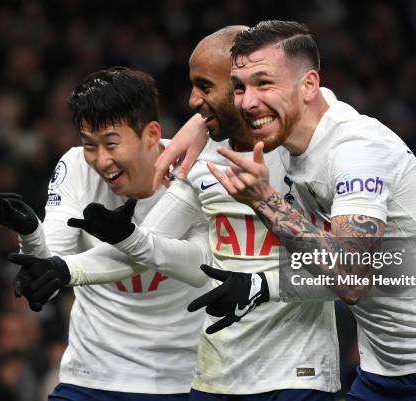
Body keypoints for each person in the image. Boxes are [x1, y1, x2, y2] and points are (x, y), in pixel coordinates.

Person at [192, 20, 416, 401]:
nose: (248, 101)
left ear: (309, 85)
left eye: (264, 84)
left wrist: (264, 199)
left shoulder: (356, 150)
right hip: (380, 371)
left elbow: (350, 278)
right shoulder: (293, 128)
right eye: (239, 88)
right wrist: (197, 125)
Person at [55, 26, 341, 400]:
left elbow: (356, 273)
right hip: (216, 376)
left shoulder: (312, 149)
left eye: (204, 87)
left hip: (296, 373)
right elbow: (149, 248)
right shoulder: (199, 161)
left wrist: (263, 286)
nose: (192, 100)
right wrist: (65, 267)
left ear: (240, 85)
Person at [0, 67, 211, 400]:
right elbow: (50, 275)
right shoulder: (75, 167)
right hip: (90, 377)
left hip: (180, 381)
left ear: (152, 134)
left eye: (112, 143)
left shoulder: (196, 169)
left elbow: (199, 270)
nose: (101, 160)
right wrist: (30, 233)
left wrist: (122, 240)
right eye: (90, 145)